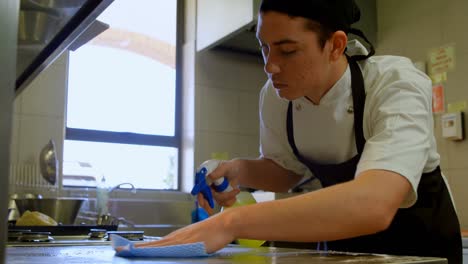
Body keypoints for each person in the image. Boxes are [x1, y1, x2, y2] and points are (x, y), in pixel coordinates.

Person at [136, 0, 462, 262]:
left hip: (421, 248)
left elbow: (374, 204)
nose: (269, 66)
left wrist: (228, 222)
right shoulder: (277, 97)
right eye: (264, 48)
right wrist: (238, 170)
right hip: (342, 247)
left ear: (335, 46)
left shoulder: (394, 83)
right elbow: (286, 171)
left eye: (287, 51)